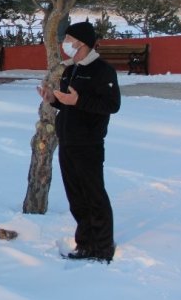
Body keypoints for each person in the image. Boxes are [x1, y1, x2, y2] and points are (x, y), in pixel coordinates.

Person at [37, 21, 121, 262]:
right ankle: (84, 244)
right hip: (68, 141)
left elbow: (111, 105)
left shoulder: (103, 70)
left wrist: (78, 101)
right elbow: (67, 103)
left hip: (89, 144)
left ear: (82, 42)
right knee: (76, 198)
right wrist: (53, 98)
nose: (66, 44)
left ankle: (103, 247)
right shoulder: (70, 68)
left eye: (69, 39)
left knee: (94, 195)